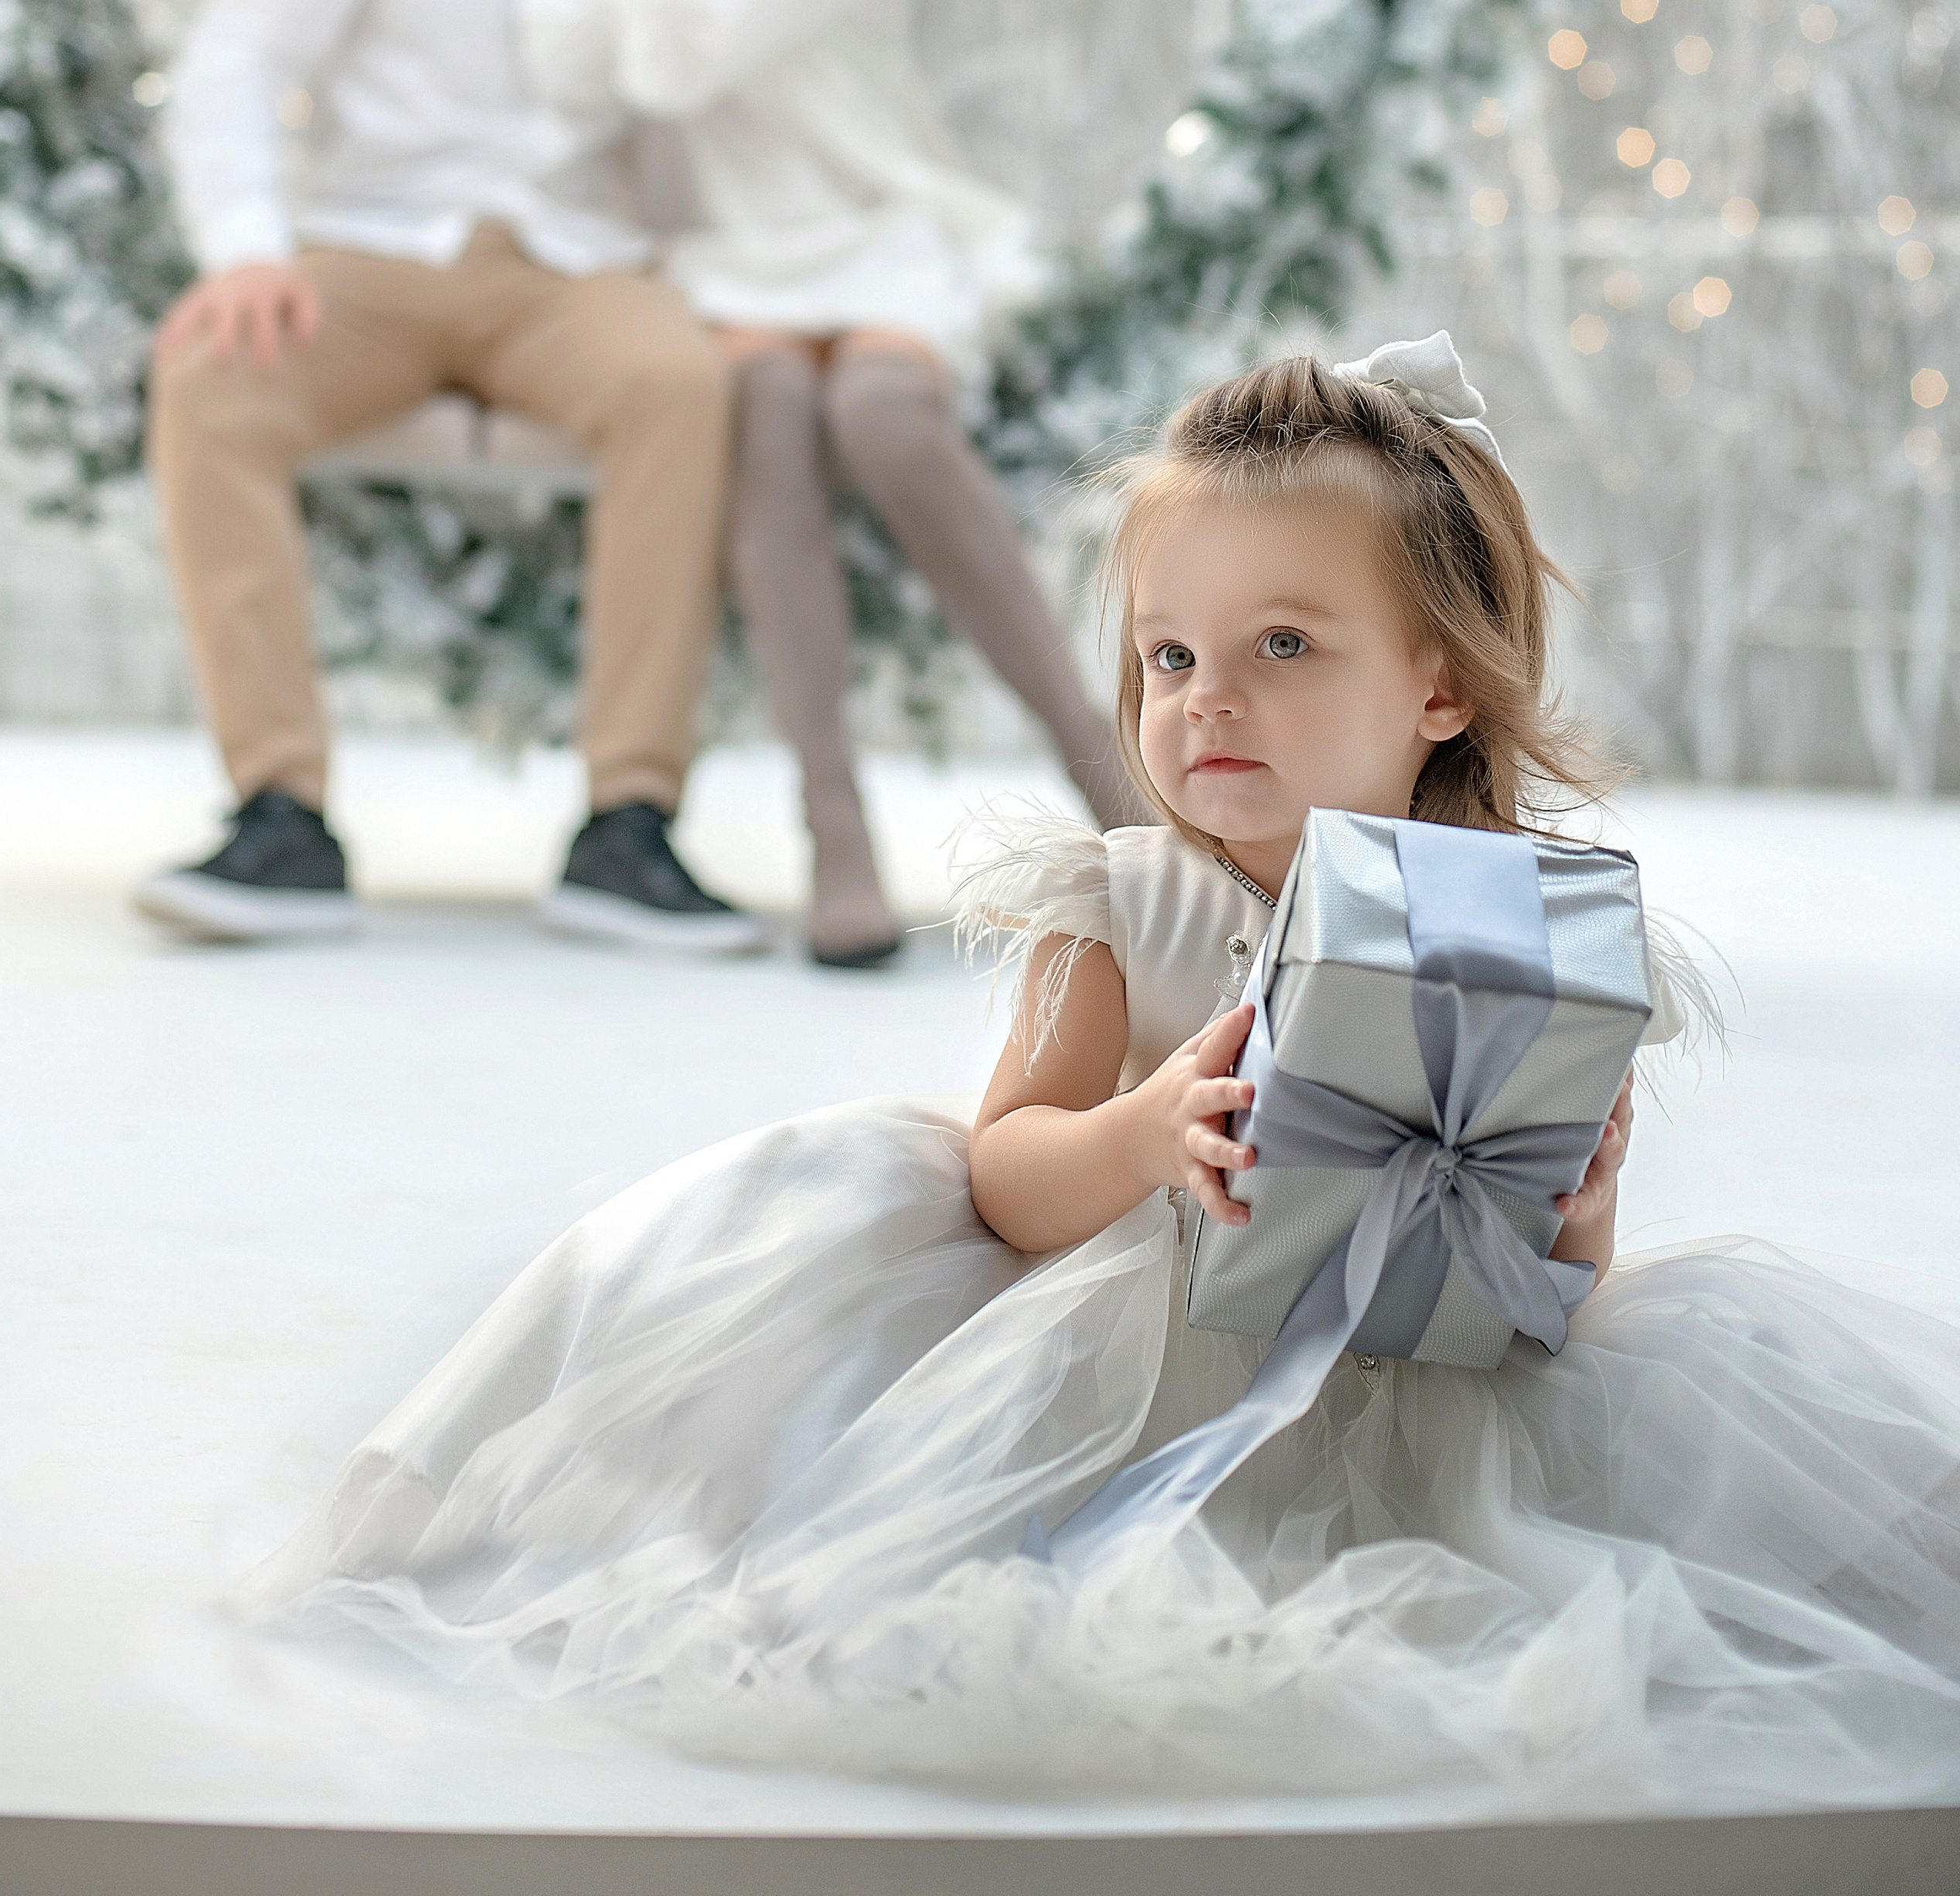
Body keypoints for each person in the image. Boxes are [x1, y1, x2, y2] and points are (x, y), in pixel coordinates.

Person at [252, 341, 1960, 1811]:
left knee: (1577, 1562)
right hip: (1125, 1360)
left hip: (1403, 1393)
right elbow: (1002, 1176)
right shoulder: (1124, 901)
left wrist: (1567, 1212)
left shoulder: (1503, 932)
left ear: (1437, 682)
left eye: (1282, 647)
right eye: (1168, 657)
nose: (1207, 701)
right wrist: (1143, 1134)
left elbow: (1538, 1295)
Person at [137, 0, 763, 955]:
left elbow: (678, 117)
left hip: (571, 265)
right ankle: (279, 813)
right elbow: (240, 52)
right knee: (210, 380)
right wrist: (244, 246)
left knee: (680, 381)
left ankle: (628, 824)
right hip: (378, 248)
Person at [518, 0, 1147, 967]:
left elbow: (665, 62)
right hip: (729, 253)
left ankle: (1112, 782)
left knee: (883, 417)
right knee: (767, 414)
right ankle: (836, 837)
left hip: (860, 233)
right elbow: (580, 62)